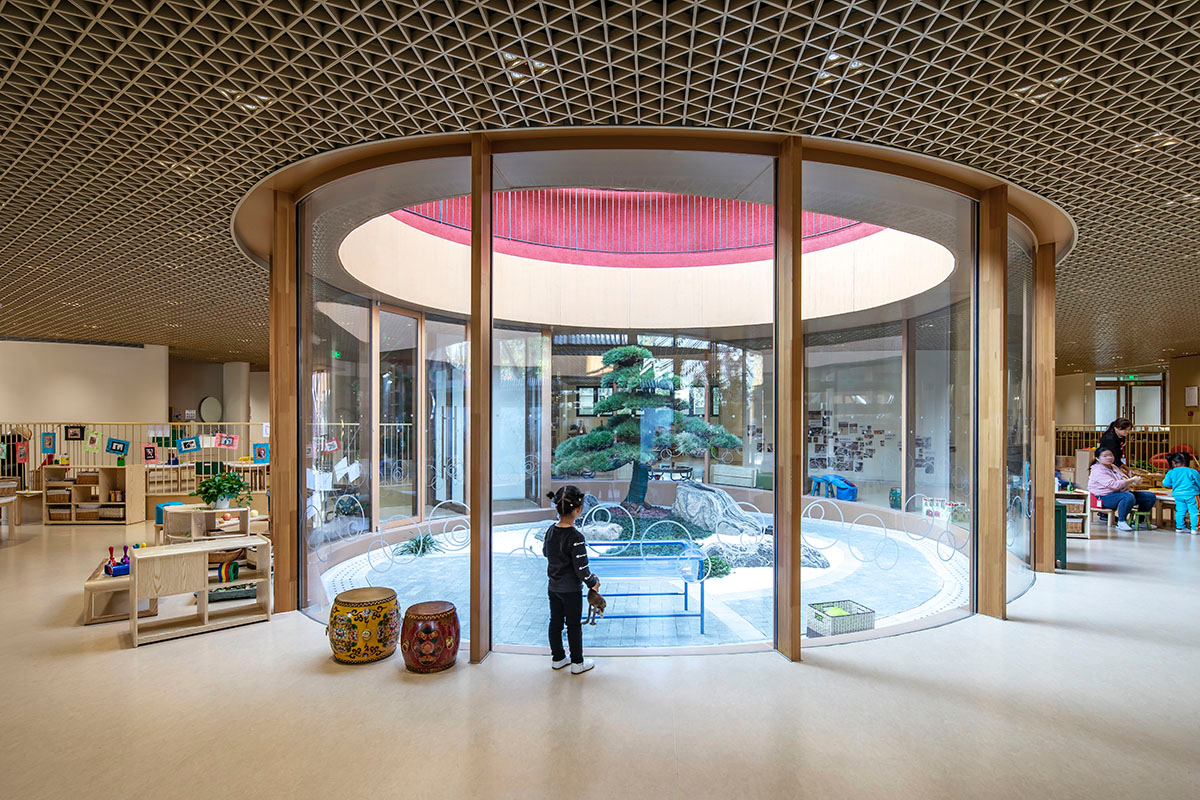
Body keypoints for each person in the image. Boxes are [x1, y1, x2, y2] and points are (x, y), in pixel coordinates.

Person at [543, 485, 601, 674]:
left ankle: (558, 658)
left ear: (557, 508)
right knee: (573, 625)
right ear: (578, 509)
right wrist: (593, 583)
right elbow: (581, 569)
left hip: (554, 588)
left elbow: (546, 552)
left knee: (555, 622)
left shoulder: (551, 531)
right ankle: (577, 662)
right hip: (571, 591)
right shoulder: (576, 537)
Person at [1088, 447, 1156, 531]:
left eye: (1111, 455)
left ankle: (1140, 521)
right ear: (1097, 458)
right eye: (1105, 456)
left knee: (1149, 496)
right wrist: (1130, 480)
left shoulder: (1113, 467)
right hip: (1103, 498)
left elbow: (1123, 478)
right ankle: (1121, 521)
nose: (1109, 458)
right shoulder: (1097, 470)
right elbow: (1113, 485)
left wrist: (1134, 481)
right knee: (1127, 496)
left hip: (1120, 493)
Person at [1162, 452, 1200, 534]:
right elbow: (1198, 482)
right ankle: (1195, 529)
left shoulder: (1171, 472)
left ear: (1173, 463)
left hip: (1178, 495)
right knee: (1194, 511)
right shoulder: (1192, 471)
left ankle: (1180, 527)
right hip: (1192, 494)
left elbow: (1166, 483)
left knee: (1180, 511)